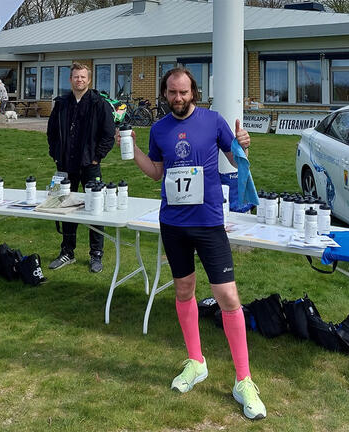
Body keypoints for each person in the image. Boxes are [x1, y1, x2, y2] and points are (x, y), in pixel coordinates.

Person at [122, 67, 266, 420]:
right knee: (184, 289)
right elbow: (157, 171)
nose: (178, 98)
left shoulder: (213, 121)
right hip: (173, 223)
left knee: (228, 295)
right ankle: (196, 362)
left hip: (208, 222)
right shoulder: (158, 129)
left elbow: (234, 160)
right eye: (172, 92)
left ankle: (244, 380)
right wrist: (135, 150)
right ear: (165, 93)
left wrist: (243, 144)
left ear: (194, 92)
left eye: (184, 92)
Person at [46, 63, 115, 273]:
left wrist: (96, 158)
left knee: (95, 210)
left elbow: (108, 134)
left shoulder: (99, 103)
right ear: (70, 80)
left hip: (90, 165)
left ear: (89, 80)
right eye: (76, 77)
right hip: (66, 166)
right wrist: (56, 154)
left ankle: (96, 254)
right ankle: (67, 251)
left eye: (83, 77)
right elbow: (52, 132)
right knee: (65, 208)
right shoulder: (62, 104)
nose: (79, 80)